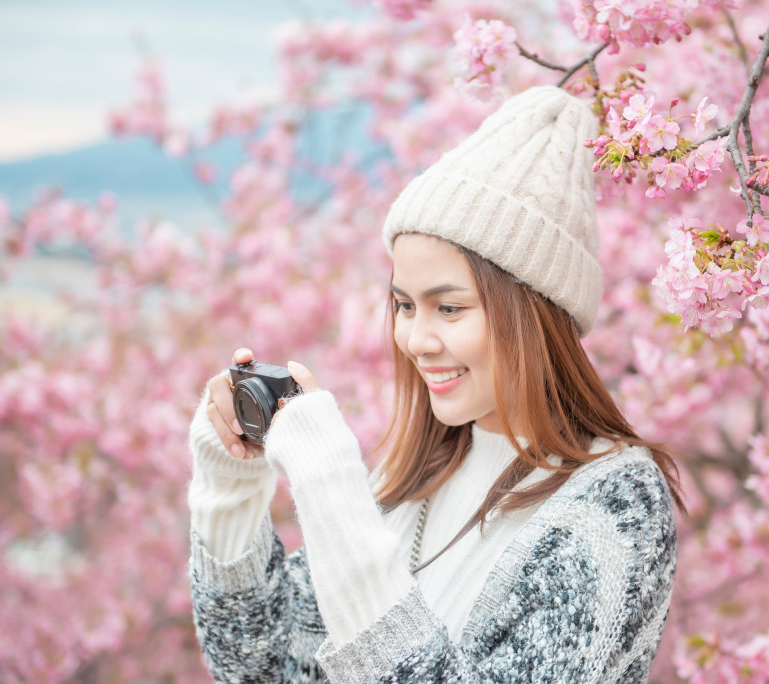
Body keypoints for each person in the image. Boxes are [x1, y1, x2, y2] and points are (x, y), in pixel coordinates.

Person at [187, 85, 682, 683]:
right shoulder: (409, 484)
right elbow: (261, 670)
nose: (415, 340)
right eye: (403, 305)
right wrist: (230, 489)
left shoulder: (612, 508)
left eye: (448, 309)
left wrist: (329, 487)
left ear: (533, 315)